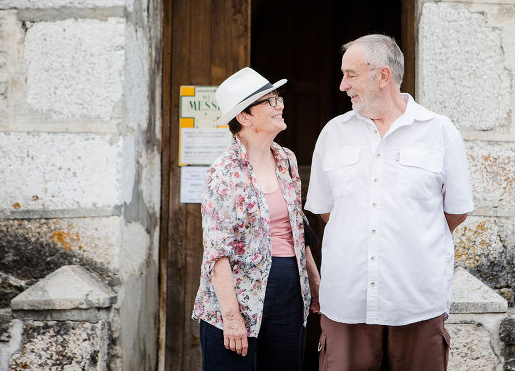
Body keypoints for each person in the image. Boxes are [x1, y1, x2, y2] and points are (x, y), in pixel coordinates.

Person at [305, 34, 474, 371]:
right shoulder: (333, 133)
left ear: (382, 76)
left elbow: (455, 212)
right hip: (347, 299)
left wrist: (409, 235)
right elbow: (327, 211)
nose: (342, 85)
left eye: (350, 74)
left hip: (416, 299)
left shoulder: (440, 132)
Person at [192, 67, 321, 371]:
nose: (280, 105)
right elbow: (217, 249)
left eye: (278, 98)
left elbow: (297, 229)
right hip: (235, 294)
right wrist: (232, 318)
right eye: (270, 101)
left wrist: (315, 283)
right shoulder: (223, 172)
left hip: (289, 287)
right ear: (244, 117)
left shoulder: (287, 160)